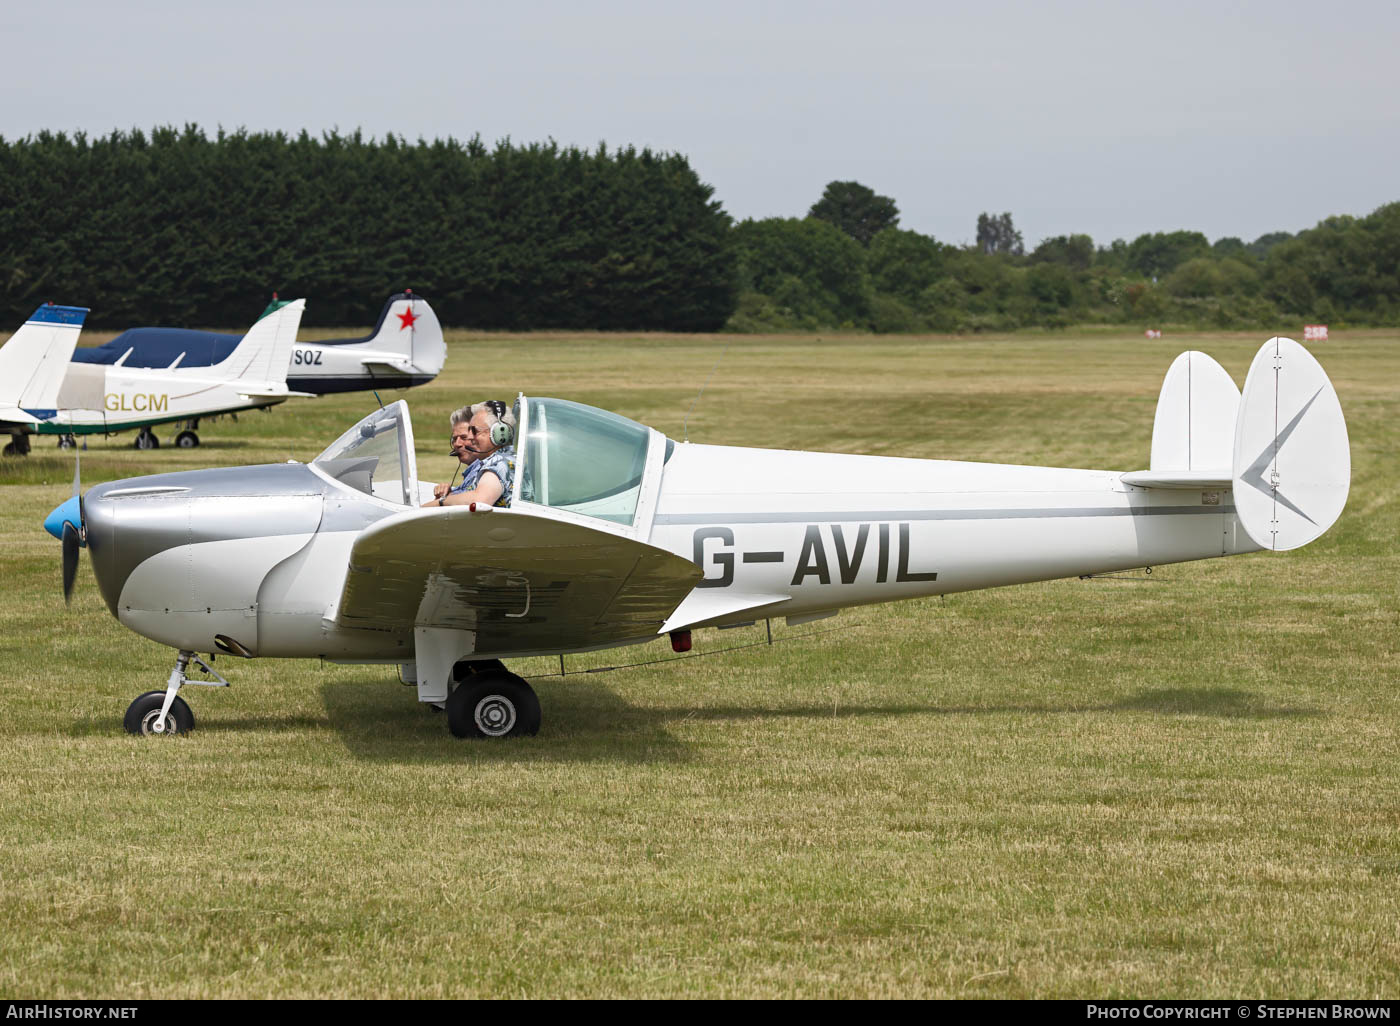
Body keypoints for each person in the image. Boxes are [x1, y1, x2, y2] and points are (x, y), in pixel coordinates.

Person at [425, 400, 516, 508]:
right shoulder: (492, 462)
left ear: (499, 433)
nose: (470, 437)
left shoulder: (501, 464)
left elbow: (480, 500)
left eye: (474, 431)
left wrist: (441, 502)